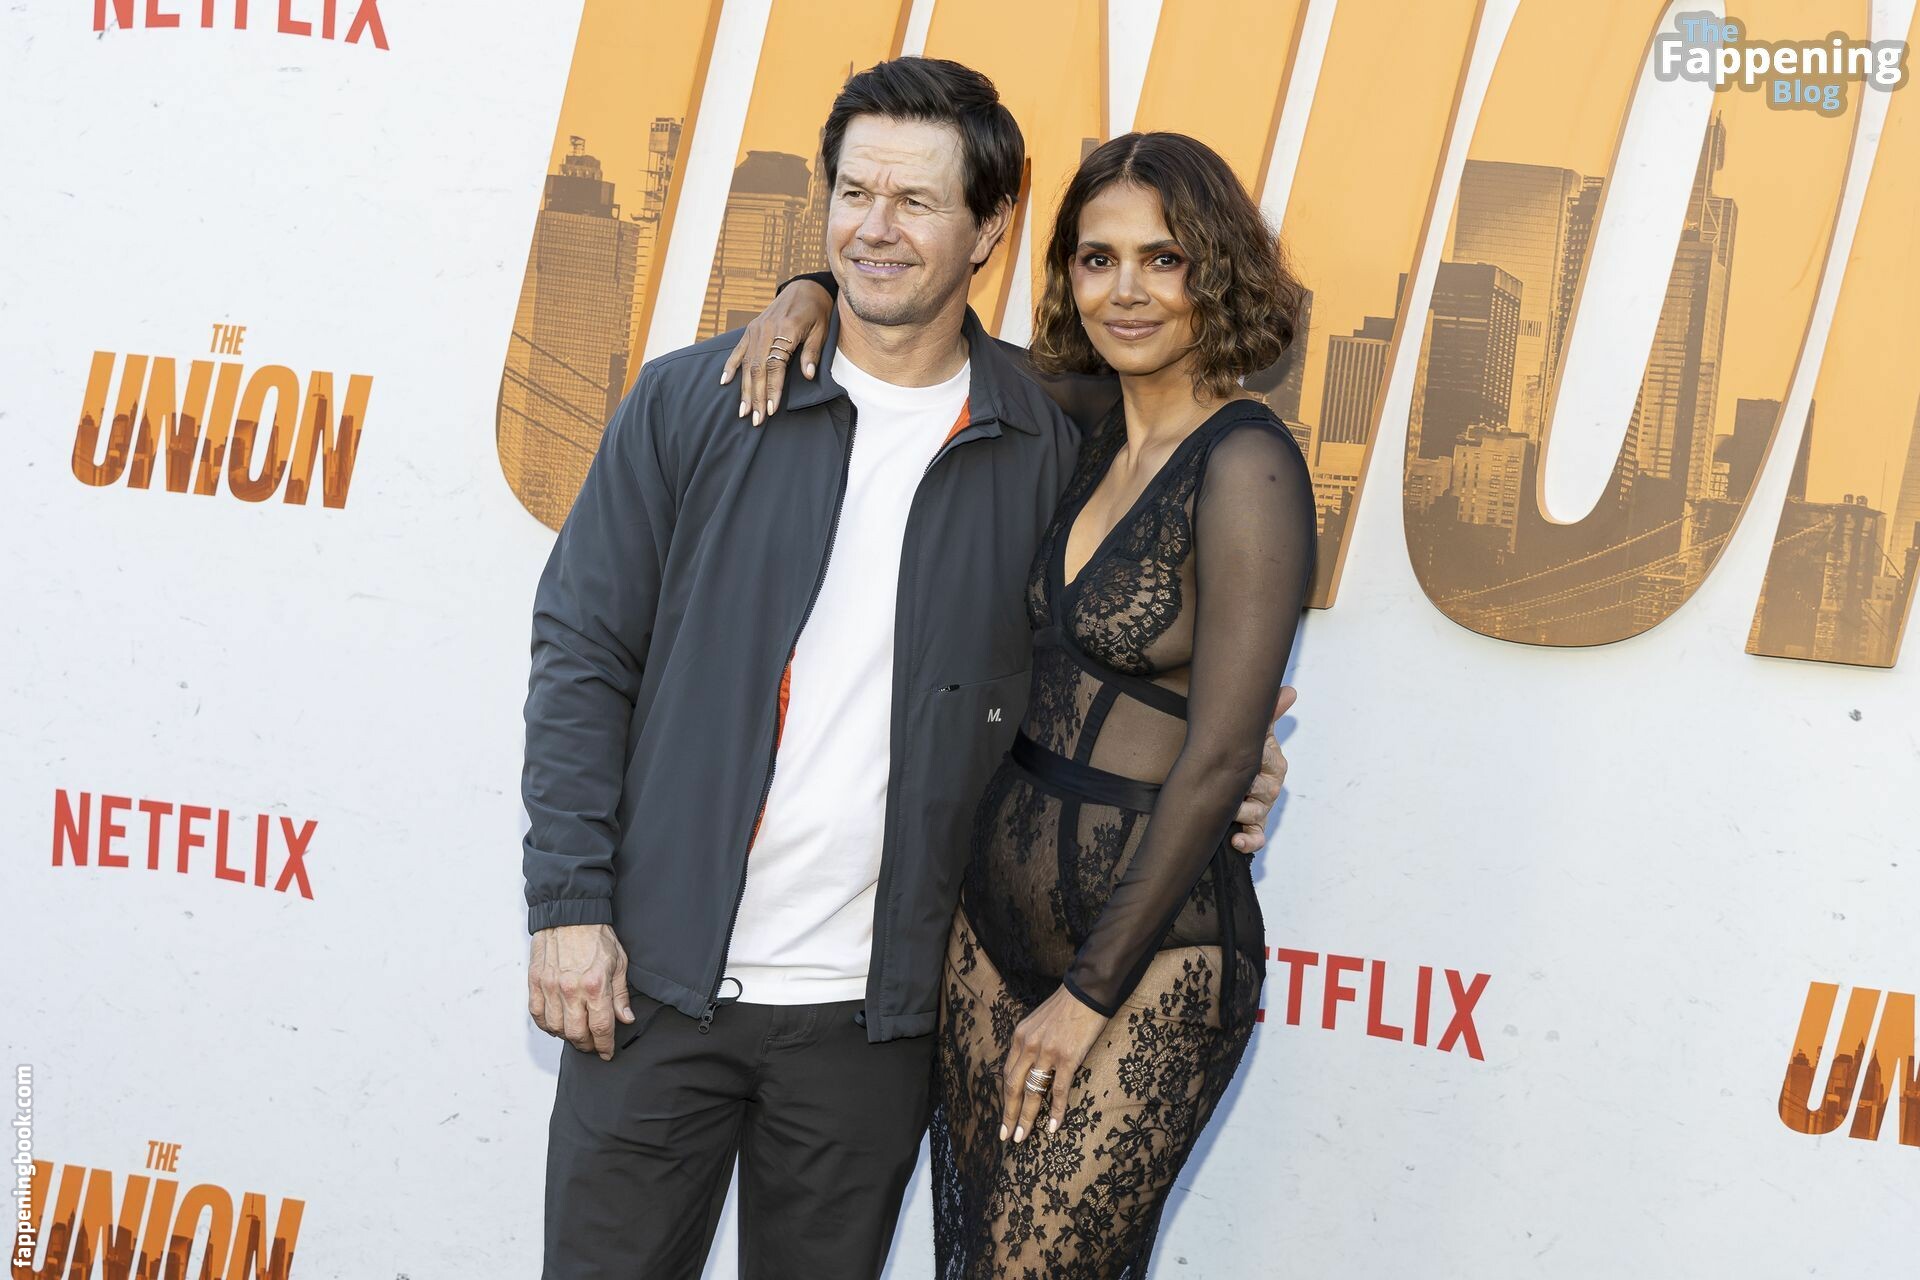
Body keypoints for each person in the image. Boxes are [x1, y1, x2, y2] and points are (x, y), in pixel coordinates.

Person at [519, 58, 1295, 1280]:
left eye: (918, 201)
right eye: (854, 193)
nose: (875, 228)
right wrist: (569, 903)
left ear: (989, 230)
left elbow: (1131, 637)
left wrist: (1221, 758)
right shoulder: (695, 402)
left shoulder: (1052, 438)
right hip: (650, 984)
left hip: (881, 1019)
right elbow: (581, 655)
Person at [730, 131, 1315, 1274]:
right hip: (987, 936)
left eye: (1164, 258)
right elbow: (916, 333)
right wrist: (810, 289)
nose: (1127, 290)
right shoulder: (1080, 418)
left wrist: (1087, 996)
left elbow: (1218, 757)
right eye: (1098, 259)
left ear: (1219, 270)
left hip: (1149, 959)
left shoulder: (1249, 465)